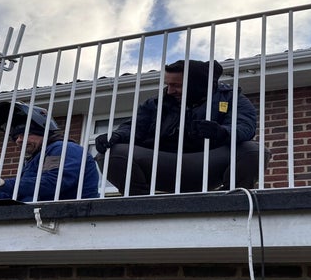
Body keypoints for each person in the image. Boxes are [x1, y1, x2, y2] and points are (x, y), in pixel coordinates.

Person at [95, 59, 266, 195]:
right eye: (168, 85)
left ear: (197, 84)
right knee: (111, 154)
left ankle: (230, 202)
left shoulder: (230, 98)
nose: (169, 91)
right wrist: (117, 136)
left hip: (208, 165)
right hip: (163, 164)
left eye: (176, 85)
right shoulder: (156, 103)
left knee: (254, 151)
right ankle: (141, 204)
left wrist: (222, 132)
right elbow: (134, 127)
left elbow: (245, 126)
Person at [0, 101, 102, 202]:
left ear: (42, 133)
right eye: (16, 137)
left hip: (71, 218)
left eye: (24, 134)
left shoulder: (63, 148)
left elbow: (53, 182)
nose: (18, 140)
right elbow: (16, 195)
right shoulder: (35, 159)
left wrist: (2, 183)